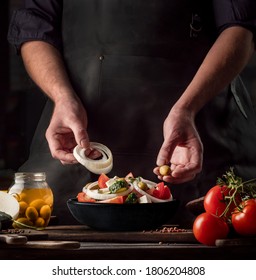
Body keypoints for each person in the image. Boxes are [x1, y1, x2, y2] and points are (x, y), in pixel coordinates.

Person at [8, 0, 256, 226]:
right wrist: (62, 97)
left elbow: (240, 29)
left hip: (198, 138)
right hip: (75, 139)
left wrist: (187, 108)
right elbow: (35, 26)